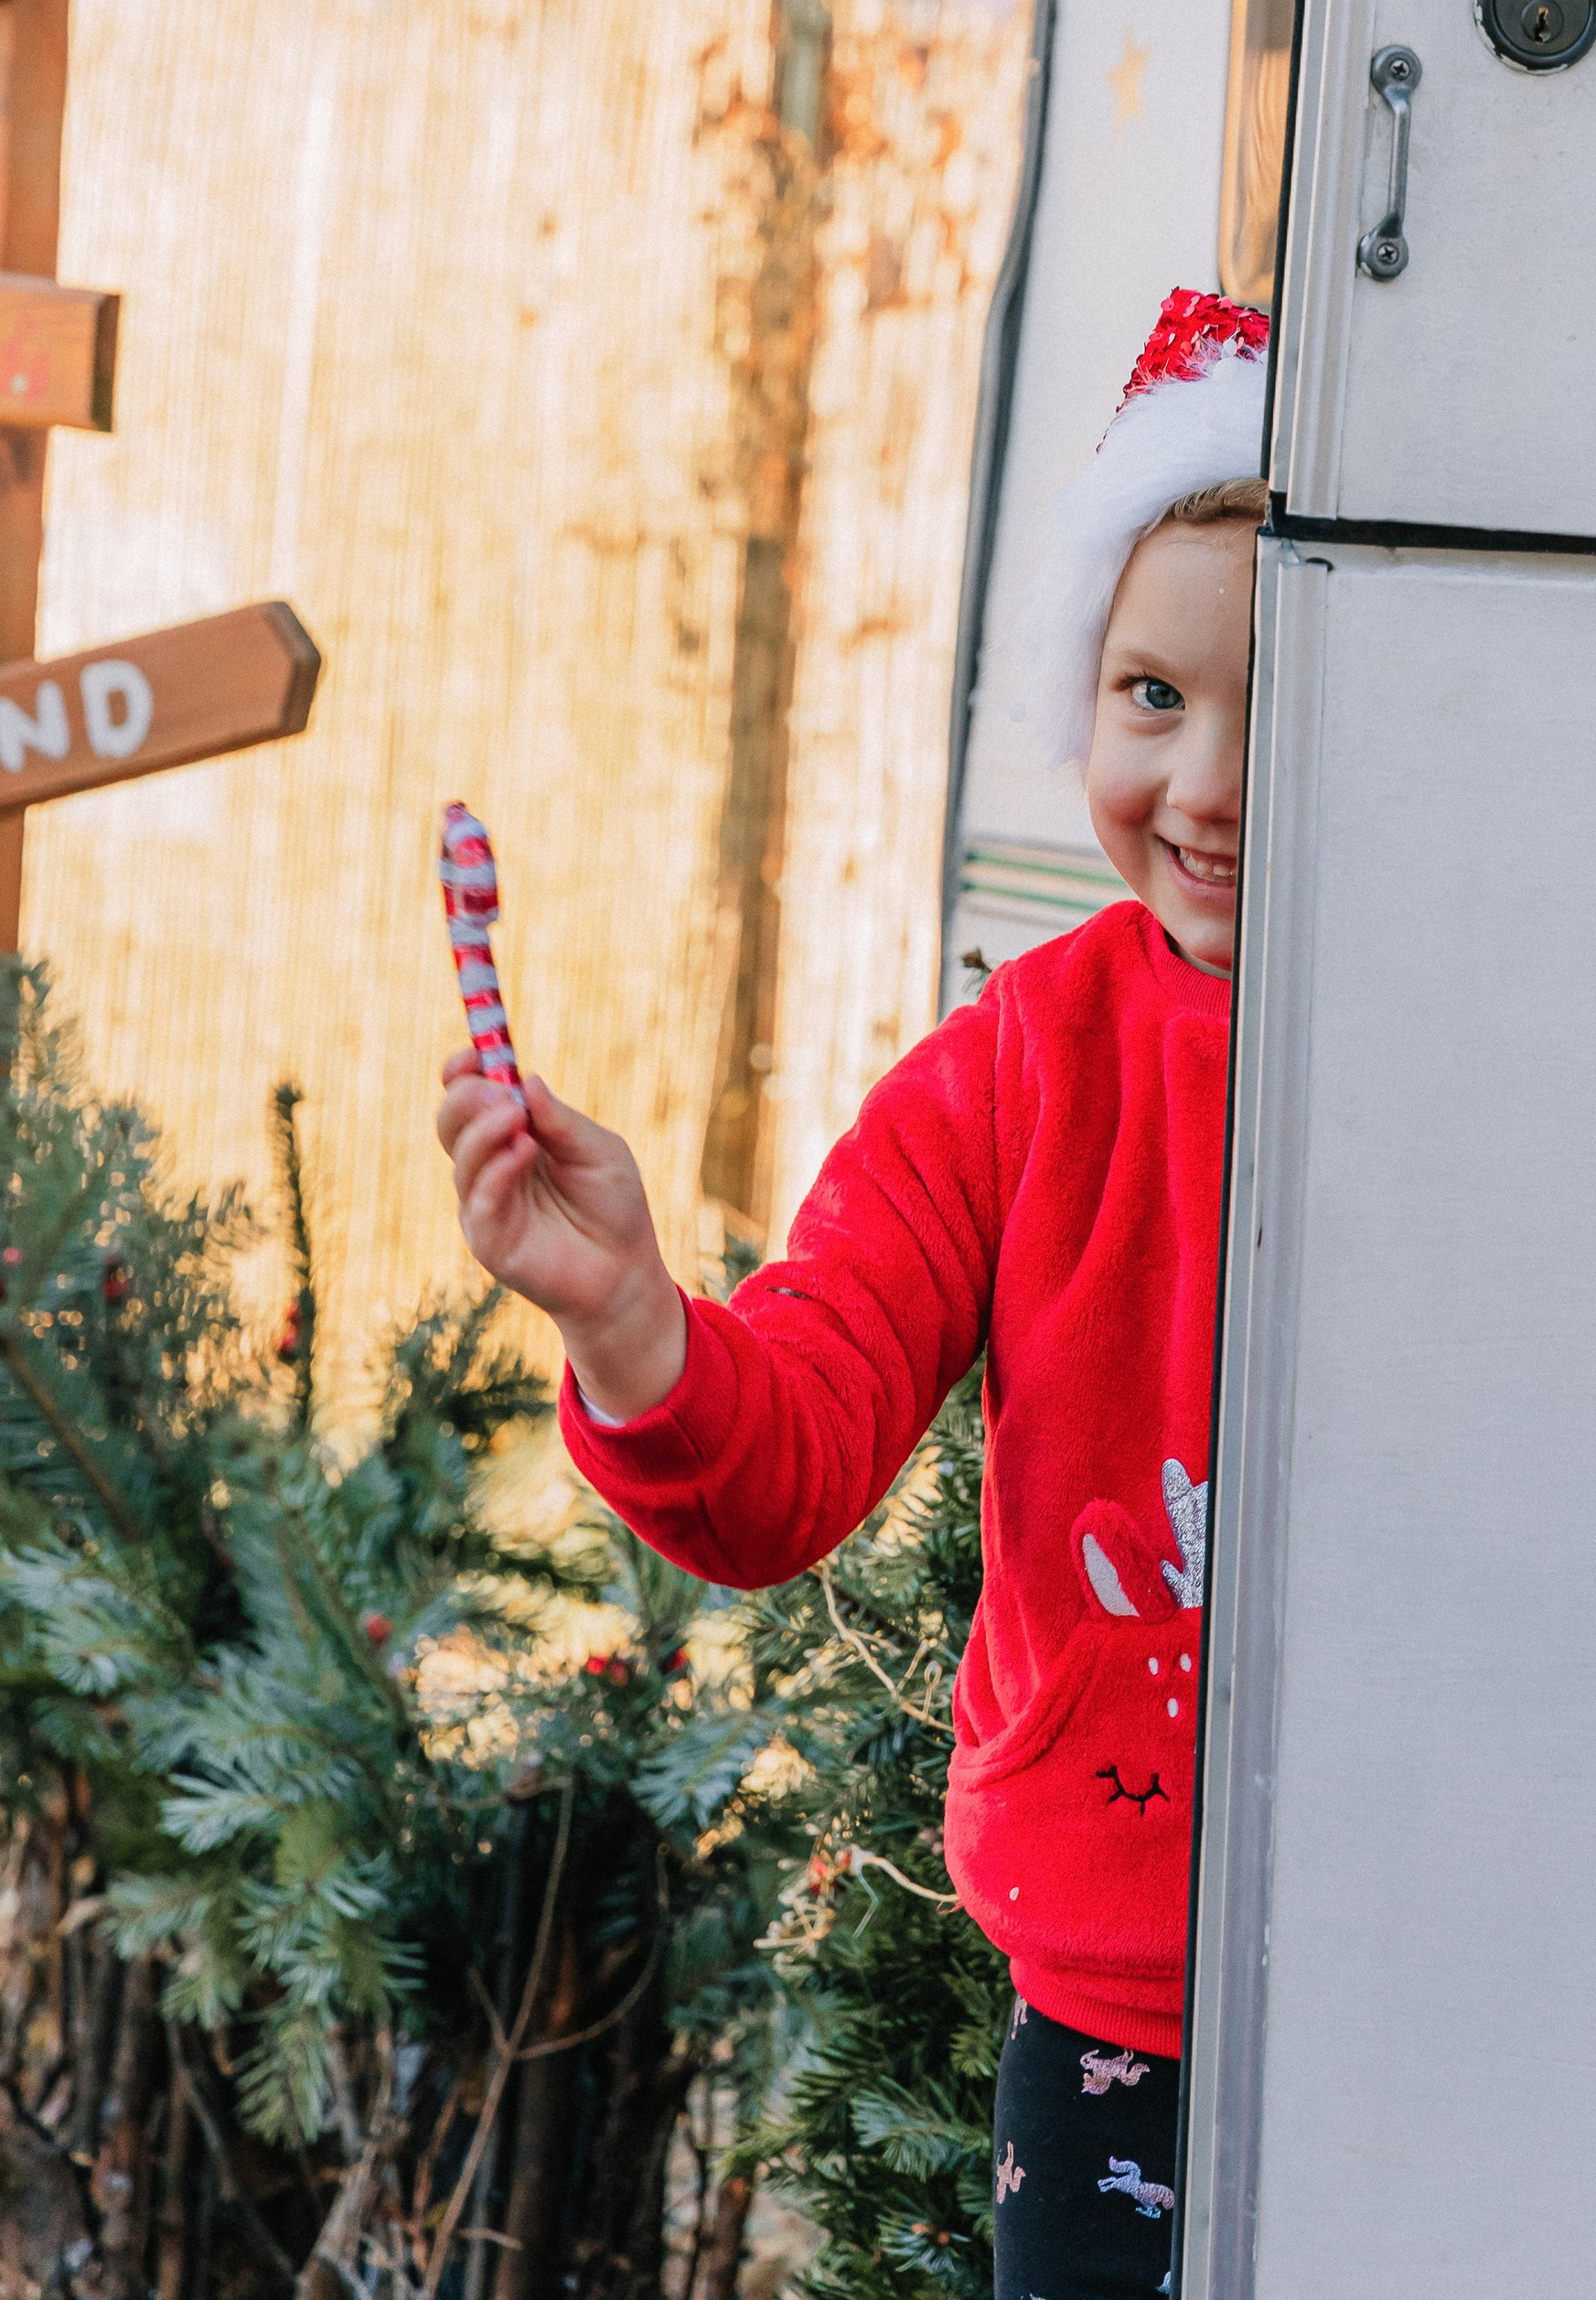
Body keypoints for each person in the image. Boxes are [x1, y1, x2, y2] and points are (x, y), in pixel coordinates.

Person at [434, 290, 1273, 2300]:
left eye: (1287, 697)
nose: (1207, 781)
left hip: (1468, 1951)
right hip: (1117, 2015)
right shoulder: (1014, 1071)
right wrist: (634, 1319)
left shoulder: (1503, 1045)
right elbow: (784, 1463)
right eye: (1151, 695)